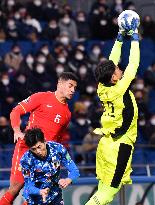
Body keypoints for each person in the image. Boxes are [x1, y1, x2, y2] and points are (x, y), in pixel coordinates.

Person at [0, 72, 78, 205]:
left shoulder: (67, 114)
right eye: (70, 86)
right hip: (26, 148)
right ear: (60, 84)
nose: (73, 90)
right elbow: (16, 111)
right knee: (15, 187)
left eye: (75, 88)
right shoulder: (41, 97)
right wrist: (17, 130)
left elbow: (57, 139)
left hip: (44, 156)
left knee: (39, 196)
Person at [85, 18, 140, 204]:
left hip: (106, 143)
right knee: (110, 191)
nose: (119, 67)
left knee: (103, 188)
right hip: (121, 144)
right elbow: (133, 64)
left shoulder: (102, 86)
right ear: (115, 78)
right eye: (117, 69)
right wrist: (134, 39)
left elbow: (111, 61)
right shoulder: (119, 88)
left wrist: (119, 38)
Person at [20, 127, 80, 205]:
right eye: (33, 149)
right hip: (35, 200)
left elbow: (74, 171)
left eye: (39, 147)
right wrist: (40, 192)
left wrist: (67, 180)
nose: (37, 151)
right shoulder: (26, 160)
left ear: (44, 141)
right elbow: (28, 186)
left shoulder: (58, 149)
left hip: (55, 195)